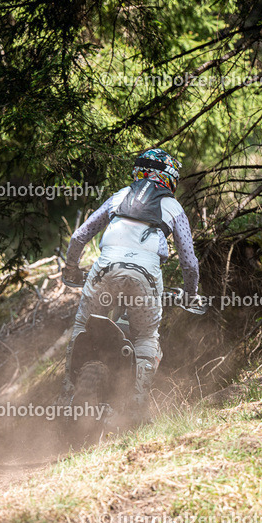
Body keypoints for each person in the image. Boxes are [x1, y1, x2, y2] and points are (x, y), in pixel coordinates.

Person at [62, 148, 200, 409]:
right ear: (170, 179)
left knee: (82, 327)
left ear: (139, 171)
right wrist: (190, 294)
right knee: (146, 336)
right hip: (145, 276)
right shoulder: (173, 206)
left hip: (105, 269)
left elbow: (80, 235)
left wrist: (71, 269)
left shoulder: (121, 195)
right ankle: (136, 406)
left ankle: (67, 395)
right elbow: (189, 262)